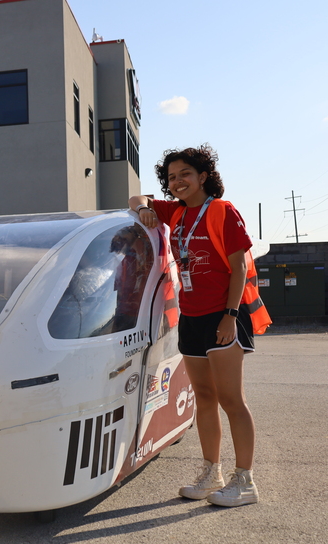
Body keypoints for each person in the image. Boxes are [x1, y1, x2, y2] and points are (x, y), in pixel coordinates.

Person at [129, 144, 270, 507]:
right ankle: (213, 472)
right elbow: (134, 197)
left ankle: (246, 481)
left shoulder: (223, 211)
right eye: (172, 177)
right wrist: (145, 208)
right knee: (203, 398)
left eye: (185, 174)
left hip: (223, 317)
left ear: (203, 176)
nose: (178, 182)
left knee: (231, 400)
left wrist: (230, 315)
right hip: (190, 318)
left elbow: (238, 267)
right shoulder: (174, 212)